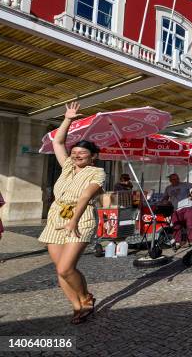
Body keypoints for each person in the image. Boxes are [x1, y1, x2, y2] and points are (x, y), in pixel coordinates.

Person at [37, 102, 106, 325]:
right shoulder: (67, 166)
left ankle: (85, 298)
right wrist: (68, 119)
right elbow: (57, 141)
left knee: (67, 268)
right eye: (74, 152)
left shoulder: (97, 172)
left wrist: (73, 221)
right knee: (60, 271)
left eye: (82, 153)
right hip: (57, 217)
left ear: (93, 156)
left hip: (80, 218)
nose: (76, 156)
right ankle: (77, 307)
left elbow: (86, 197)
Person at [162, 173, 192, 250]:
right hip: (176, 209)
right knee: (176, 225)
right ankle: (177, 242)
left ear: (178, 179)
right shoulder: (168, 188)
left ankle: (191, 240)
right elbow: (165, 197)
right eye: (172, 179)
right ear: (170, 180)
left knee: (190, 224)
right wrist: (165, 201)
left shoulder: (184, 184)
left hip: (187, 206)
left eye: (176, 179)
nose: (174, 181)